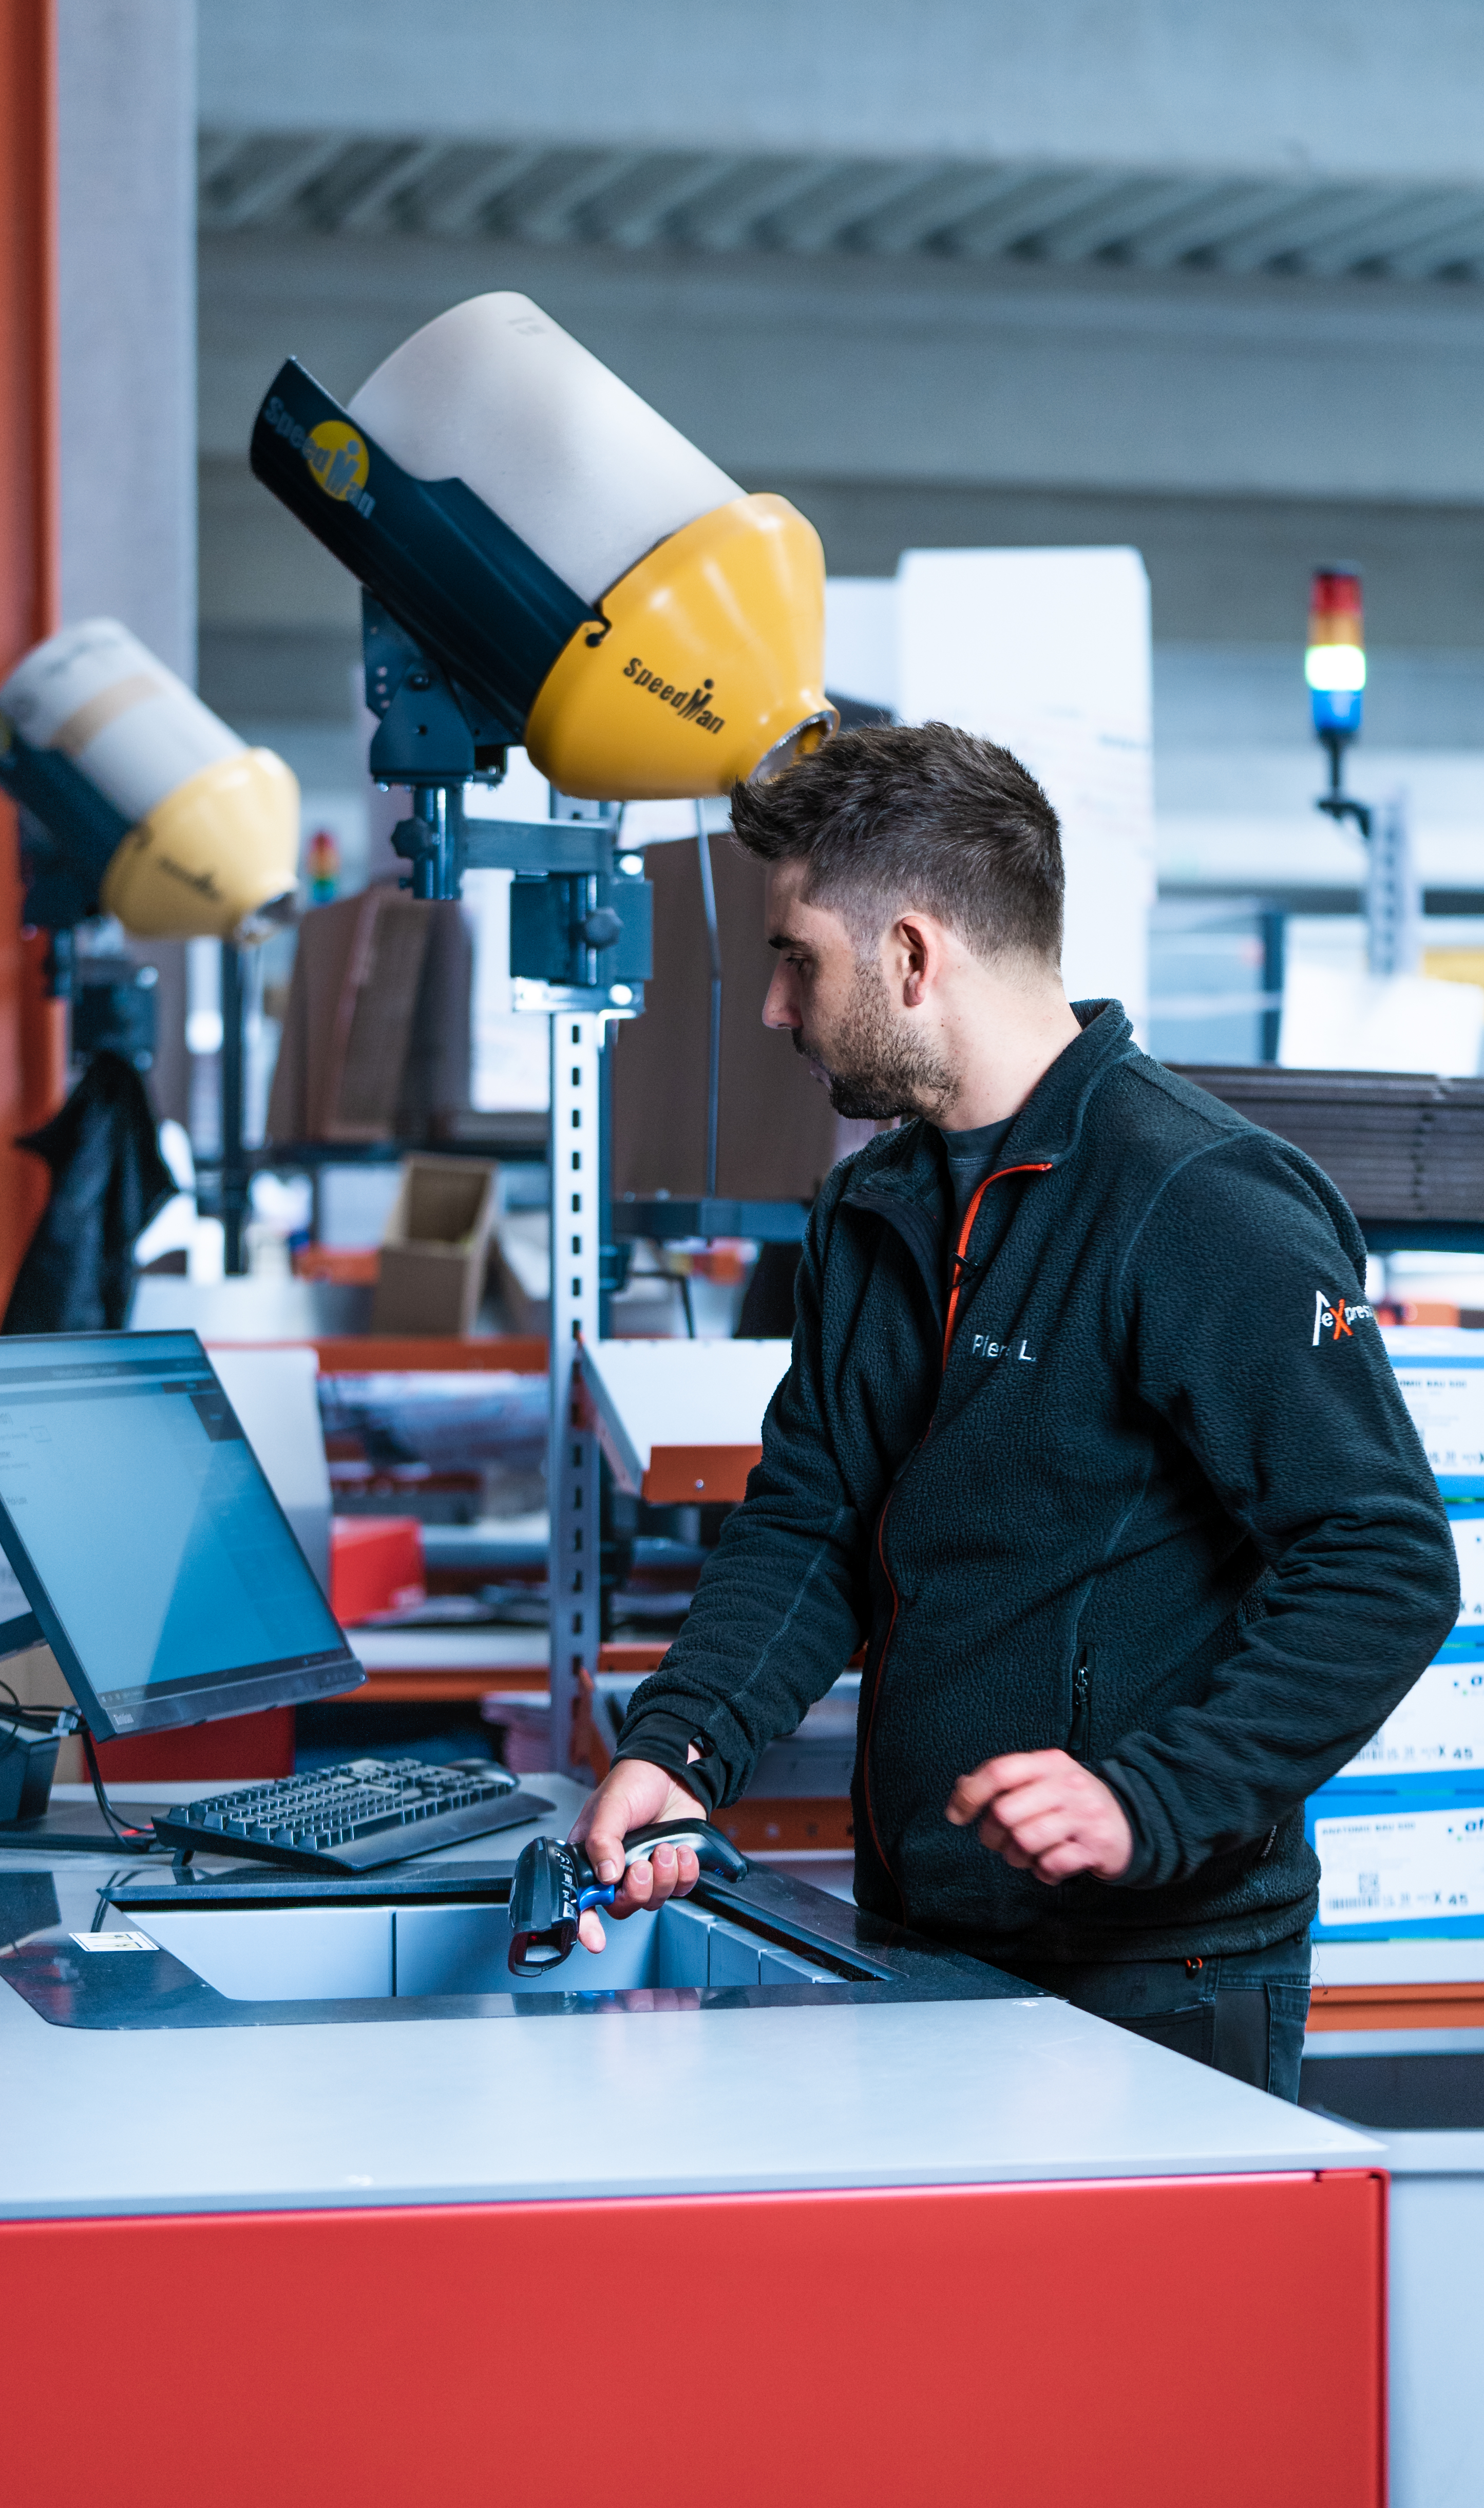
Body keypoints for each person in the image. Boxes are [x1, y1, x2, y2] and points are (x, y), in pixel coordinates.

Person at [572, 720, 1459, 2100]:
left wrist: (1149, 1799)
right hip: (920, 1934)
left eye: (797, 959)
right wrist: (681, 1747)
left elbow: (1383, 1563)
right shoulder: (869, 1210)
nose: (777, 1009)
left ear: (912, 956)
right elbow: (812, 1522)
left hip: (1156, 1973)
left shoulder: (1200, 1200)